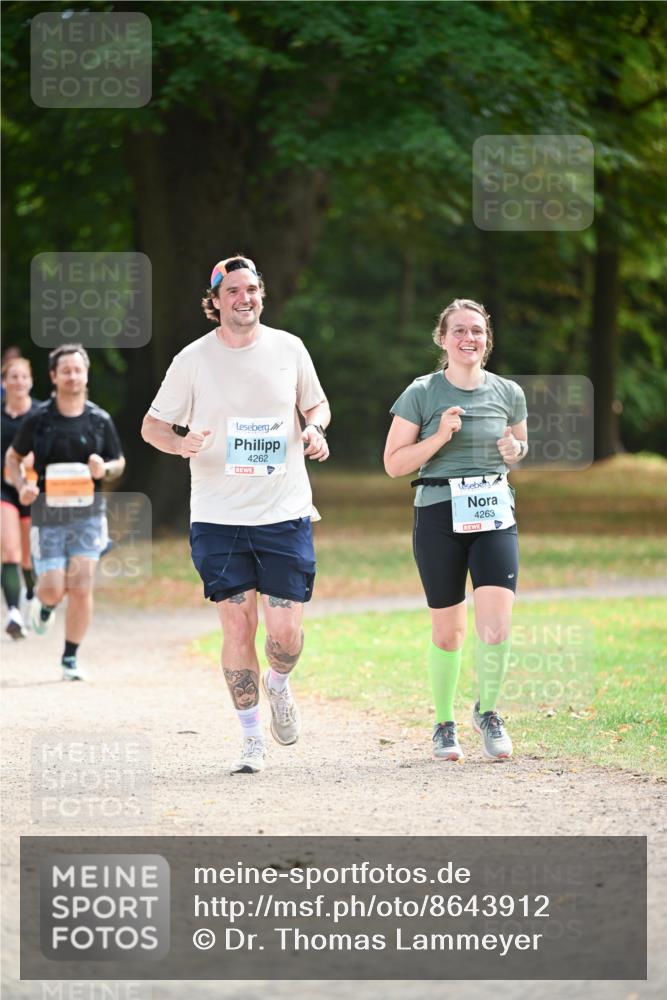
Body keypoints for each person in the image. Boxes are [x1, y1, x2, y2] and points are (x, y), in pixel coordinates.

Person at [142, 255, 330, 774]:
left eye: (251, 289)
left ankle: (279, 684)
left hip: (284, 510)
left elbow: (316, 405)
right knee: (236, 623)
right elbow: (152, 428)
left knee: (286, 633)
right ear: (216, 301)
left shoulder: (289, 348)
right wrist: (183, 443)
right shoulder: (192, 360)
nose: (243, 298)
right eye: (232, 292)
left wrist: (314, 430)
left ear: (261, 295)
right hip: (218, 515)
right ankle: (251, 739)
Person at [384, 298, 528, 762]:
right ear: (443, 339)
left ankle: (488, 712)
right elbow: (392, 464)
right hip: (438, 517)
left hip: (493, 516)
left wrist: (515, 451)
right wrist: (439, 437)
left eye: (478, 331)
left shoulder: (508, 393)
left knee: (496, 625)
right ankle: (444, 723)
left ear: (487, 340)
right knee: (448, 634)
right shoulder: (422, 393)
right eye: (459, 331)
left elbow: (517, 448)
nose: (470, 339)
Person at [5, 344, 125, 680]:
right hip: (48, 518)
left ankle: (70, 658)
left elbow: (119, 463)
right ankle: (43, 604)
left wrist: (105, 468)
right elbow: (13, 459)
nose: (73, 376)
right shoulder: (39, 420)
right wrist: (22, 486)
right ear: (54, 377)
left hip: (88, 516)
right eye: (66, 370)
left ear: (86, 375)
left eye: (78, 370)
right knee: (55, 587)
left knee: (82, 585)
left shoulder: (99, 420)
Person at [1, 356, 41, 638]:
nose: (18, 382)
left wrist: (33, 462)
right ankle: (13, 612)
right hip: (3, 489)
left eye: (23, 377)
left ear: (31, 381)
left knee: (28, 558)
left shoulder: (41, 413)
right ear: (4, 382)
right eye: (12, 377)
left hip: (34, 489)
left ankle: (30, 598)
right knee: (10, 551)